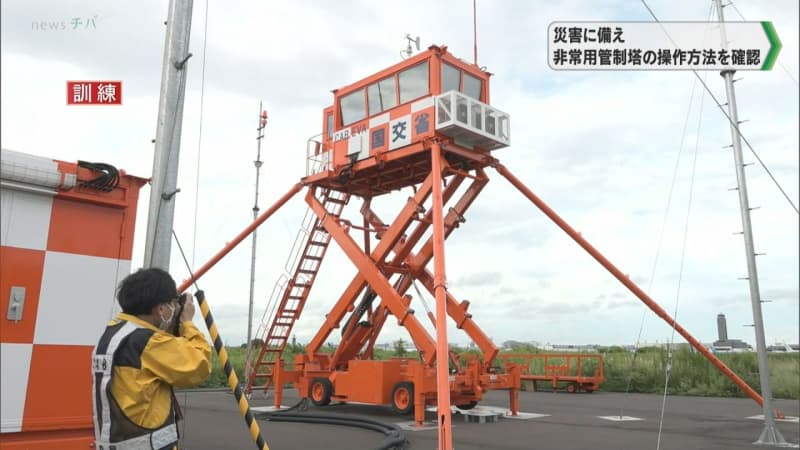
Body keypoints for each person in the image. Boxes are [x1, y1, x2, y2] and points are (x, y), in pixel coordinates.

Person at [91, 268, 211, 450]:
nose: (174, 309)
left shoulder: (113, 334)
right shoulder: (147, 342)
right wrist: (187, 322)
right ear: (161, 309)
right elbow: (199, 364)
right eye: (171, 304)